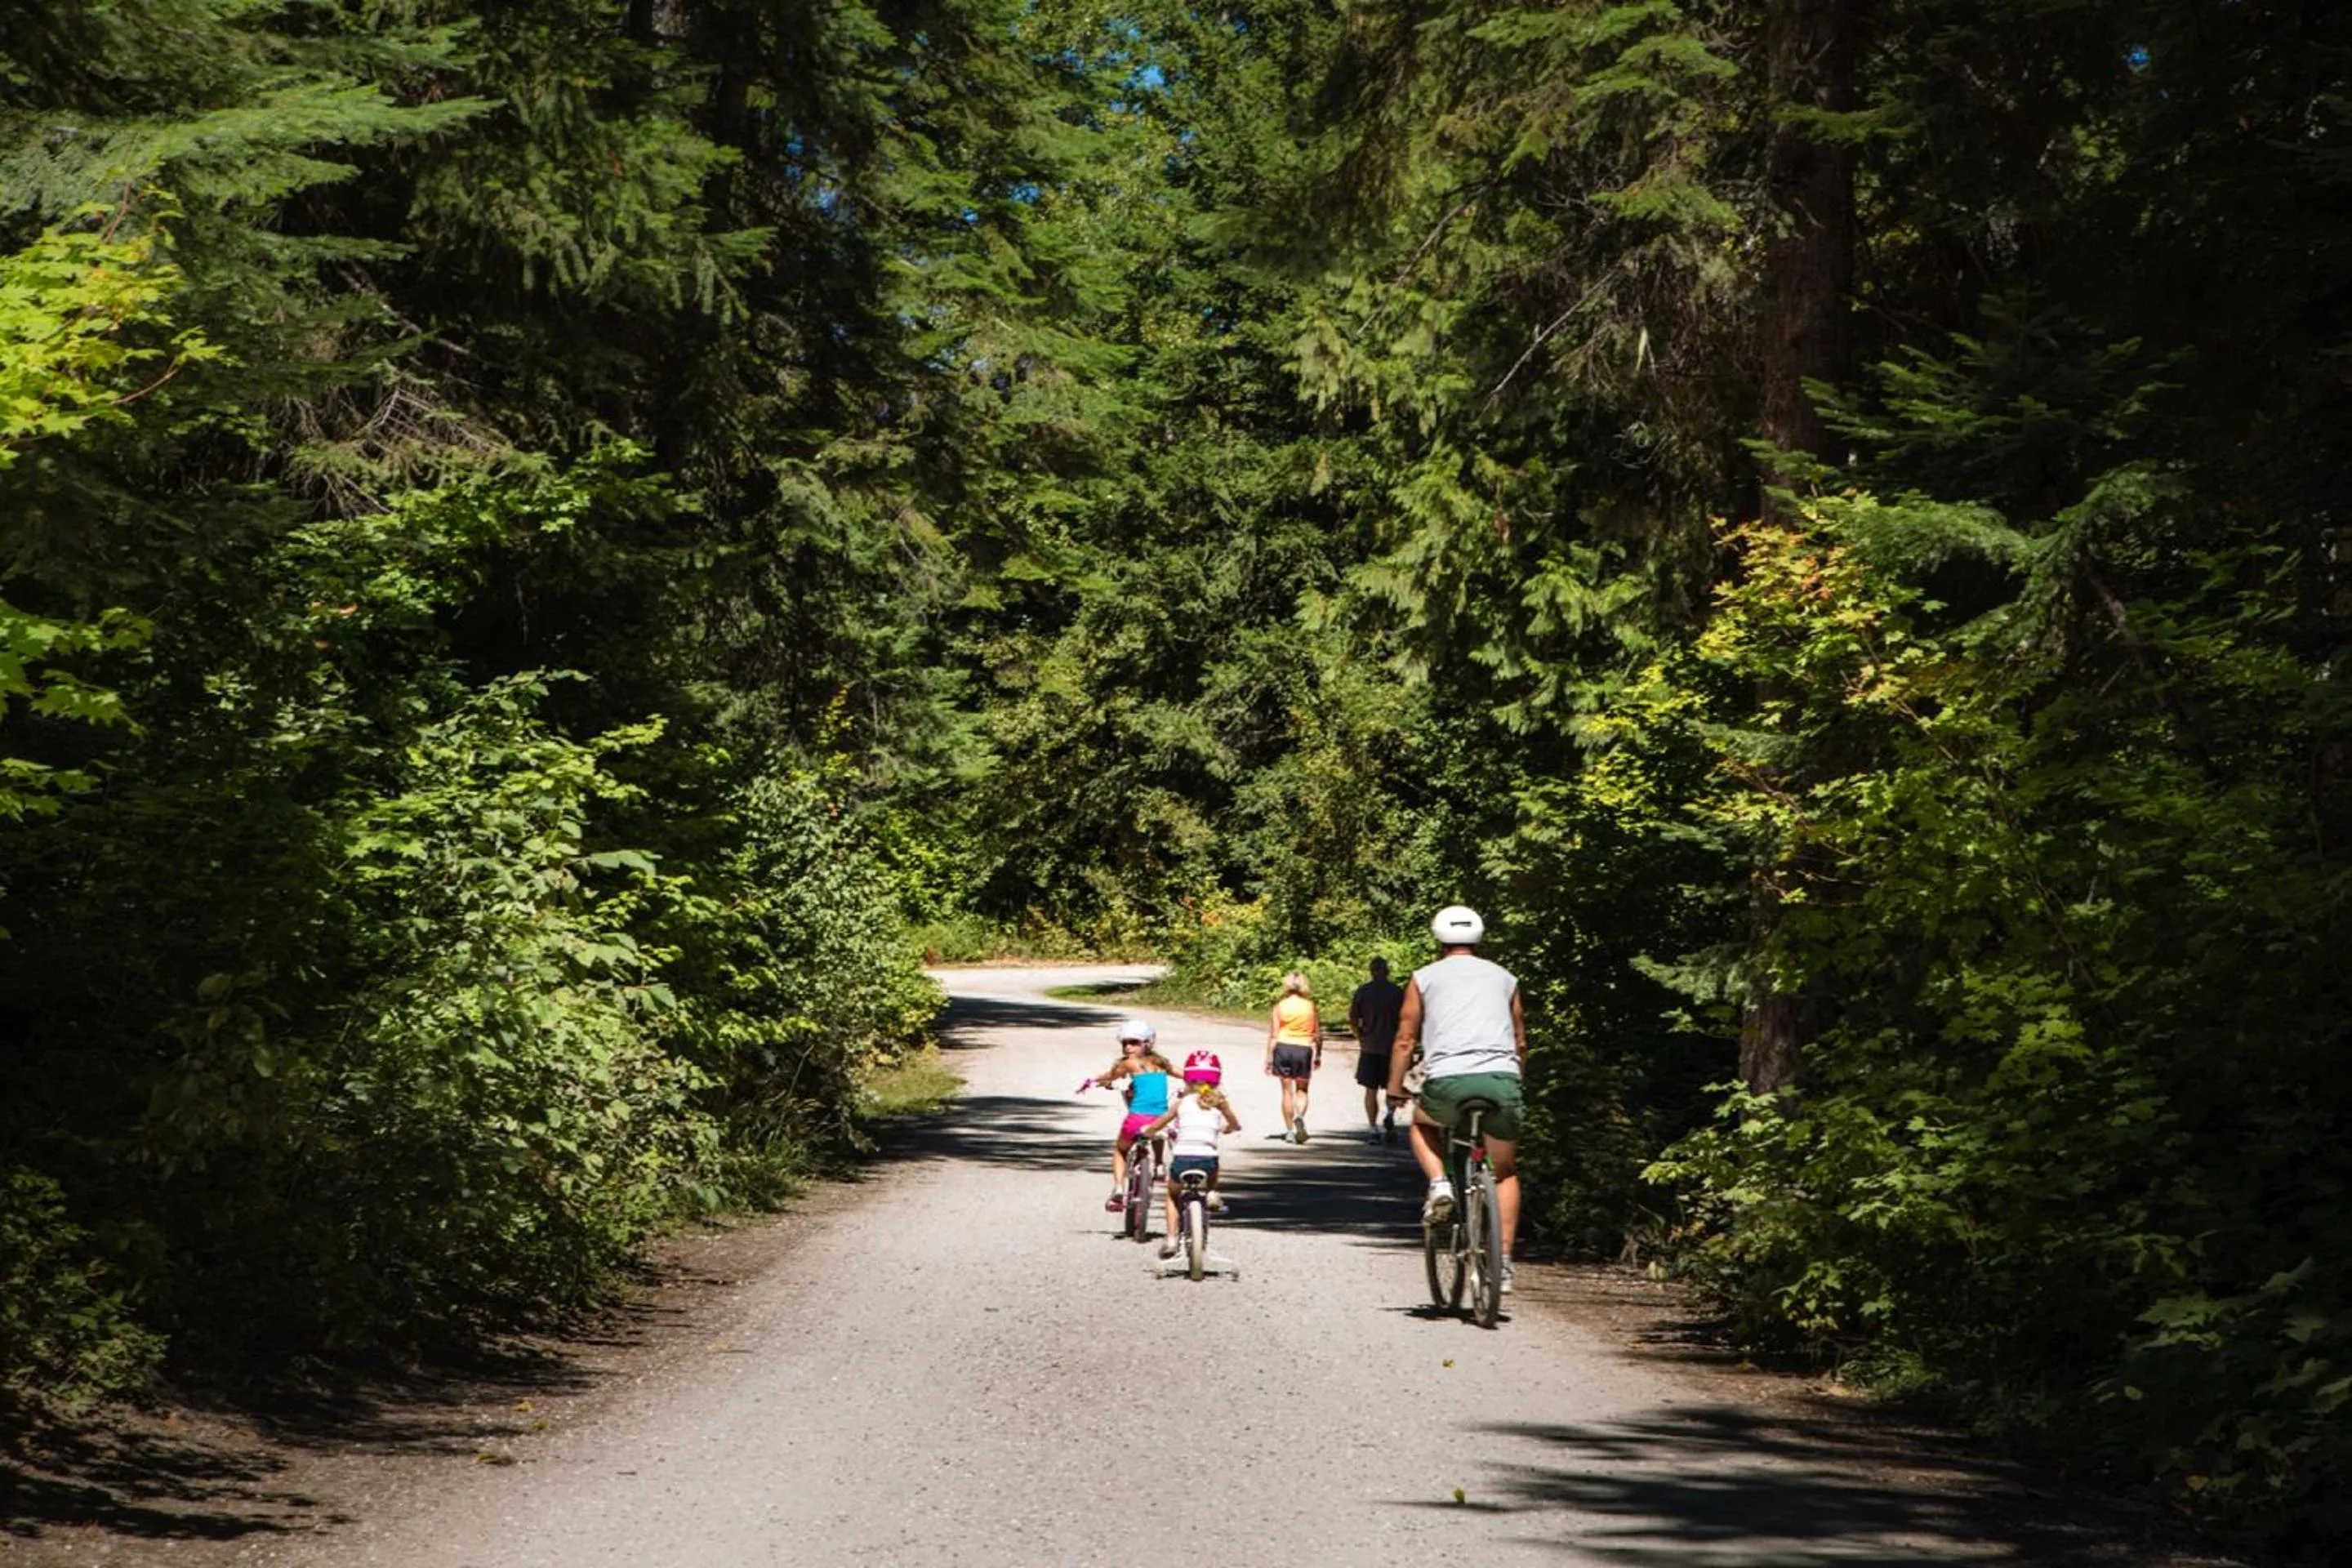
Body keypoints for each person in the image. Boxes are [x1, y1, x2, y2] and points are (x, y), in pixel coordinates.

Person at [1387, 906, 1526, 1293]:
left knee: (1421, 1123)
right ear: (1479, 938)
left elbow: (1405, 1038)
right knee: (1506, 1170)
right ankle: (1504, 1264)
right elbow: (1520, 1041)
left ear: (1438, 938)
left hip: (1448, 1080)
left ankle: (1439, 1184)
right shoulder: (1504, 978)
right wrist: (1515, 1084)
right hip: (1502, 1079)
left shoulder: (1424, 978)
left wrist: (1395, 1087)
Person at [1140, 1051, 1240, 1258]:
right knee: (1213, 1159)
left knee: (1172, 1195)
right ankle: (1211, 1192)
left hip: (1182, 1160)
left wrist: (1148, 1132)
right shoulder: (1219, 1103)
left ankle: (1171, 1238)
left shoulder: (1181, 1104)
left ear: (1187, 1078)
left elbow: (1160, 1123)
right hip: (1207, 1162)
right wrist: (1228, 1127)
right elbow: (1234, 1124)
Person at [1082, 1018, 1176, 1212]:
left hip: (1137, 1118)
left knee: (1121, 1150)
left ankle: (1118, 1189)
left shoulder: (1128, 1064)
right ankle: (1159, 1164)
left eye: (1133, 1043)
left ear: (1146, 1043)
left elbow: (1111, 1075)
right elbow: (1183, 1073)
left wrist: (1093, 1080)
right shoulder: (1162, 1063)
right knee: (1157, 1129)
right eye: (1125, 1043)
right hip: (1161, 1119)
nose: (1128, 1048)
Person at [1348, 956, 1406, 1141]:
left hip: (1370, 1046)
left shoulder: (1363, 991)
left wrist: (1359, 1036)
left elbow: (1353, 1018)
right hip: (1392, 1048)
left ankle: (1373, 1129)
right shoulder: (1397, 992)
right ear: (1387, 971)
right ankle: (1389, 1115)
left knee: (1370, 1090)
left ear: (1371, 971)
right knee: (1392, 1086)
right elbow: (1407, 1019)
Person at [1263, 972, 1321, 1143]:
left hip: (1283, 1047)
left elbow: (1274, 1034)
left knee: (1286, 1092)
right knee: (1302, 1090)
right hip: (1304, 1048)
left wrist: (1269, 1057)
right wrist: (1318, 1055)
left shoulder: (1279, 1006)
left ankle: (1289, 1131)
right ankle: (1300, 1117)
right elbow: (1317, 1034)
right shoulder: (1310, 1006)